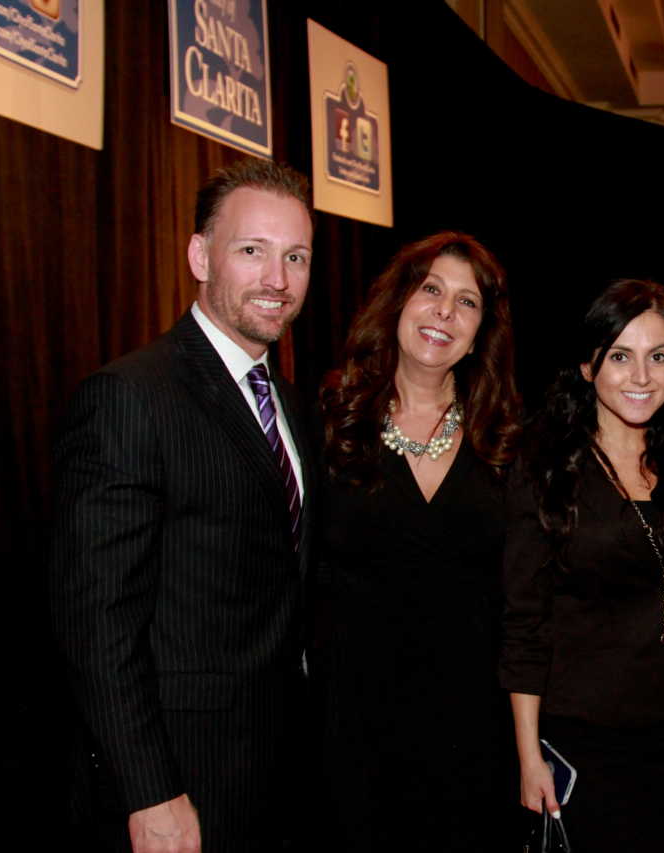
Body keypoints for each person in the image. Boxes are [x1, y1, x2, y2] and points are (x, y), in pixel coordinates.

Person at [50, 159, 317, 852]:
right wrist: (149, 790)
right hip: (181, 781)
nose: (277, 279)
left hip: (277, 774)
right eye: (252, 250)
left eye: (295, 257)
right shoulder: (130, 397)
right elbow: (96, 622)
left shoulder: (289, 403)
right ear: (201, 256)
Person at [501, 280, 664, 852]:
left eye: (659, 356)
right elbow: (525, 621)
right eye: (621, 357)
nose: (642, 376)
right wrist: (529, 756)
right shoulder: (546, 467)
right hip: (595, 741)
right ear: (587, 366)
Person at [316, 231, 523, 851]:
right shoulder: (332, 420)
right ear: (399, 301)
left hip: (474, 732)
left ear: (481, 332)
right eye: (431, 289)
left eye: (467, 302)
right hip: (355, 729)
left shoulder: (507, 440)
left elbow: (529, 601)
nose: (444, 311)